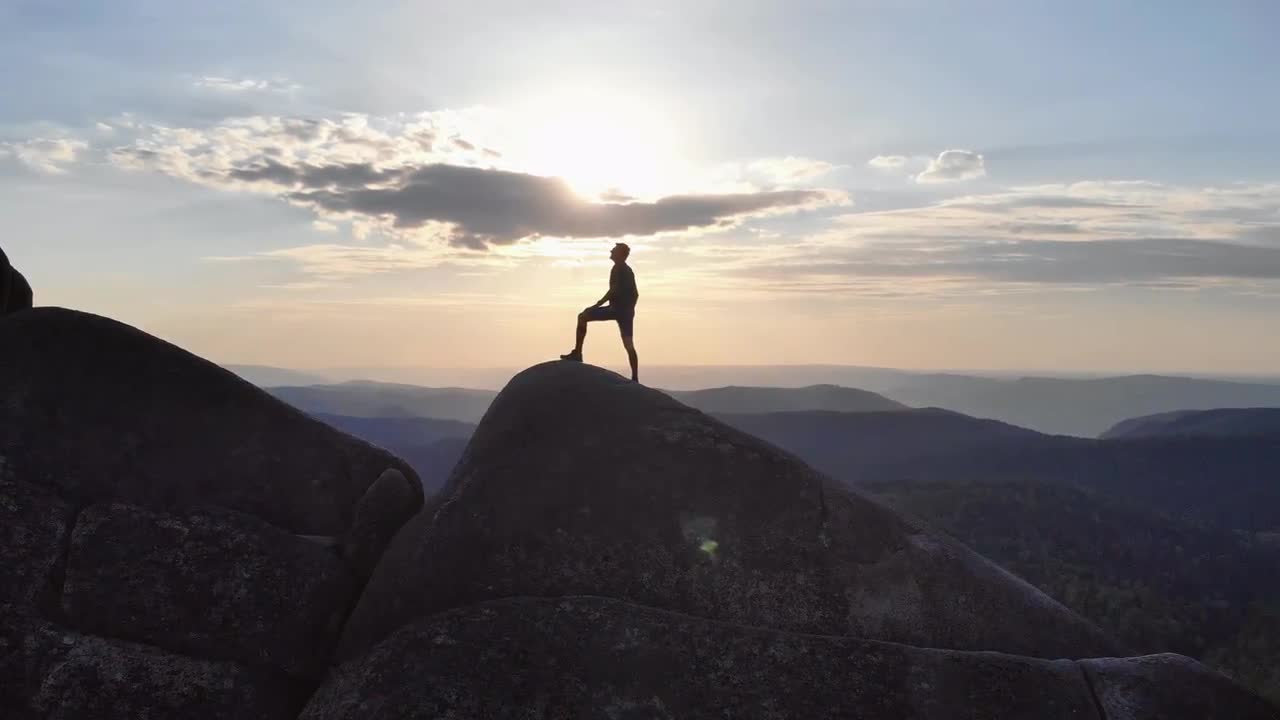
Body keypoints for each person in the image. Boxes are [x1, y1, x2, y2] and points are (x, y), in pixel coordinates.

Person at [561, 242, 639, 382]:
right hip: (624, 312)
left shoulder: (620, 269)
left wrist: (597, 304)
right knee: (629, 345)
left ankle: (578, 353)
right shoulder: (625, 269)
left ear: (620, 254)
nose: (611, 251)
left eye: (614, 250)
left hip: (616, 310)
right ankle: (635, 377)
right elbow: (635, 294)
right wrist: (630, 310)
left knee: (583, 316)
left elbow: (614, 290)